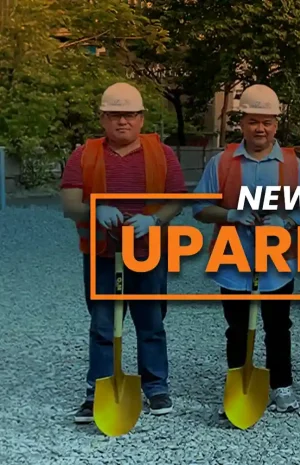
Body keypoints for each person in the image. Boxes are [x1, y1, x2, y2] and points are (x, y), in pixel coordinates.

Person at [60, 82, 186, 423]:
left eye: (129, 115)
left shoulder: (163, 154)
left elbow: (176, 200)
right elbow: (69, 204)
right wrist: (93, 211)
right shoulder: (83, 155)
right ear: (102, 118)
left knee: (151, 321)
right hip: (101, 253)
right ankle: (98, 391)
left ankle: (156, 388)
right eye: (114, 115)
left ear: (141, 118)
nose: (122, 122)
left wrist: (155, 219)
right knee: (103, 324)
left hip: (149, 252)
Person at [192, 84, 300, 416]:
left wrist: (285, 222)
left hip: (277, 263)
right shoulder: (222, 163)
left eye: (267, 122)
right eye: (253, 121)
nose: (260, 129)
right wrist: (229, 214)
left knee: (278, 326)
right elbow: (200, 207)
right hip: (232, 261)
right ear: (242, 123)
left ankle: (281, 387)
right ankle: (239, 383)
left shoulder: (291, 165)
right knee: (237, 328)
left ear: (276, 124)